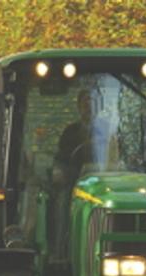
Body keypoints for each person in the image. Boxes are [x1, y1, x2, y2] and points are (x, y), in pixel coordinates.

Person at [49, 89, 107, 260]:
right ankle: (61, 251)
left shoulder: (108, 131)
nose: (89, 105)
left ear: (99, 106)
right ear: (79, 106)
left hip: (105, 183)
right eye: (85, 102)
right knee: (62, 202)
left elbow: (117, 157)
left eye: (93, 102)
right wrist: (59, 171)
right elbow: (60, 159)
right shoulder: (70, 132)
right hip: (75, 182)